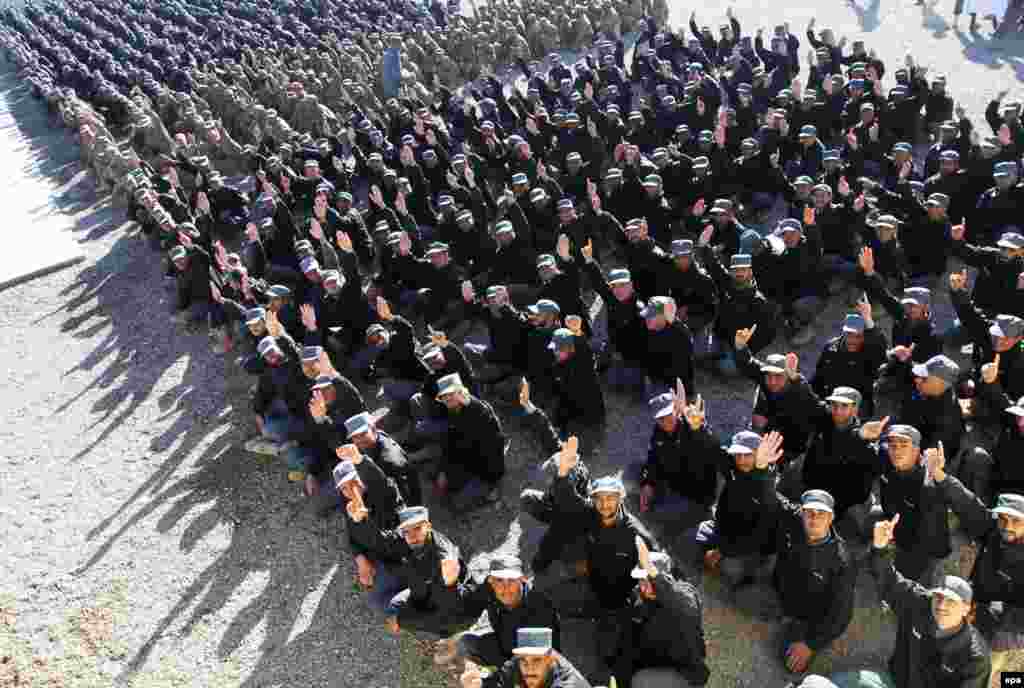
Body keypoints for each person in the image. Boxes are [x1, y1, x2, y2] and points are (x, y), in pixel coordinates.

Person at [822, 510, 990, 688]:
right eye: (938, 597)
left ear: (966, 608)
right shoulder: (921, 603)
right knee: (841, 681)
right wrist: (880, 547)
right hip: (895, 683)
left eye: (951, 601)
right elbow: (888, 581)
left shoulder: (975, 658)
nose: (941, 605)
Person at [929, 442, 1024, 683]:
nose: (1007, 526)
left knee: (997, 670)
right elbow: (967, 504)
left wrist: (1008, 633)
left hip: (1012, 623)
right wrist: (941, 475)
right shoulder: (994, 530)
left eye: (1016, 521)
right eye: (1003, 519)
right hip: (980, 604)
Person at [771, 489, 857, 674]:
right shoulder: (795, 521)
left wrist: (810, 644)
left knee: (791, 665)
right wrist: (763, 467)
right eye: (809, 512)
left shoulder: (842, 560)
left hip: (810, 618)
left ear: (831, 518)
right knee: (741, 596)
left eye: (821, 514)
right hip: (781, 596)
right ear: (801, 513)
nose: (814, 518)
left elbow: (842, 613)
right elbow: (772, 497)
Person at [605, 539, 711, 688]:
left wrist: (651, 570)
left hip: (683, 672)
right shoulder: (638, 597)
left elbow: (678, 599)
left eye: (650, 581)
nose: (645, 587)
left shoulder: (684, 597)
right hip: (653, 663)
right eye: (642, 580)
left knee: (641, 681)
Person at [435, 555, 561, 669]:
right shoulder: (489, 589)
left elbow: (539, 661)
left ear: (522, 579)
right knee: (465, 642)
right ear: (491, 580)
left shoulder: (540, 607)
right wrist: (451, 583)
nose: (505, 588)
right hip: (502, 645)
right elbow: (466, 608)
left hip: (532, 660)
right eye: (499, 580)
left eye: (511, 580)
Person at [698, 431, 784, 593]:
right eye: (738, 455)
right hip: (729, 531)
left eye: (748, 455)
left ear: (759, 454)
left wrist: (721, 551)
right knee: (702, 534)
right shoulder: (734, 465)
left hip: (752, 545)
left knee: (730, 570)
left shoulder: (766, 486)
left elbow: (758, 536)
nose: (741, 460)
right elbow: (714, 449)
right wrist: (698, 428)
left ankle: (753, 575)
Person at [638, 384, 723, 533]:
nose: (665, 421)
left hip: (697, 494)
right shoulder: (658, 432)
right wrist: (647, 483)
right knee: (634, 472)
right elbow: (653, 459)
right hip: (675, 483)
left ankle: (696, 514)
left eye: (668, 414)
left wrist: (699, 427)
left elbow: (713, 447)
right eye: (660, 418)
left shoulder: (692, 426)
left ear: (676, 410)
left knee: (661, 514)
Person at [432, 373, 508, 511]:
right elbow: (450, 442)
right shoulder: (453, 409)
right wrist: (443, 469)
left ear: (460, 392)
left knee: (457, 503)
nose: (447, 399)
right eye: (444, 396)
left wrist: (451, 473)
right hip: (467, 459)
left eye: (450, 394)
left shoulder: (480, 415)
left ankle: (491, 488)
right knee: (438, 476)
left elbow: (486, 453)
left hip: (485, 468)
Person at [460, 627, 591, 688]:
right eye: (523, 660)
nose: (530, 669)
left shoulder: (567, 684)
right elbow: (500, 681)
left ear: (550, 659)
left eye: (537, 660)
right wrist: (480, 684)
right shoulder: (520, 661)